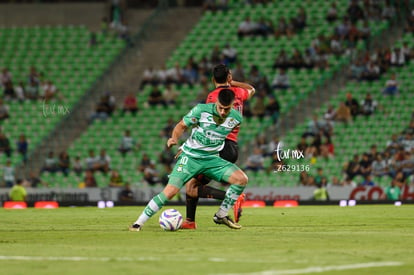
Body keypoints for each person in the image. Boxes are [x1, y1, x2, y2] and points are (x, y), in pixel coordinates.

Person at [129, 89, 248, 232]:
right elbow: (181, 126)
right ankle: (138, 223)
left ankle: (221, 215)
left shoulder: (236, 118)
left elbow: (217, 136)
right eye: (220, 108)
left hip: (212, 159)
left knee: (241, 179)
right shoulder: (201, 110)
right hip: (190, 158)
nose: (223, 112)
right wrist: (175, 138)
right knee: (171, 191)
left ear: (233, 105)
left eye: (226, 109)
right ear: (216, 102)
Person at [181, 64, 255, 229]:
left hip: (217, 145)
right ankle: (190, 222)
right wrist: (233, 82)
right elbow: (251, 89)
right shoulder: (240, 93)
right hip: (232, 147)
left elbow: (206, 123)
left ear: (213, 79)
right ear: (229, 77)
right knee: (192, 185)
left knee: (192, 186)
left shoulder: (213, 97)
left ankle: (232, 198)